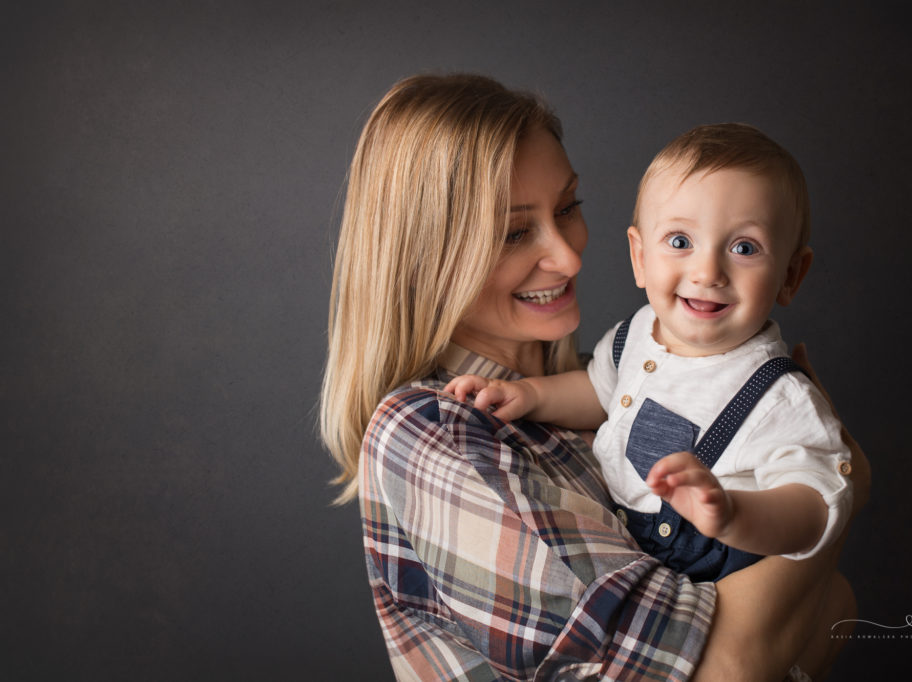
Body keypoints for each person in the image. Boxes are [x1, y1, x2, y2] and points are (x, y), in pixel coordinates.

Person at [320, 73, 869, 681]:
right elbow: (722, 672)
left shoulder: (609, 391)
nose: (571, 255)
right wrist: (847, 494)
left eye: (568, 208)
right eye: (515, 231)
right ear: (430, 258)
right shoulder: (431, 431)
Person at [445, 123, 853, 585]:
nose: (706, 271)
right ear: (640, 257)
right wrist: (530, 395)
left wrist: (734, 513)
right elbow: (599, 390)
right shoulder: (637, 334)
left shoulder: (778, 396)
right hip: (635, 547)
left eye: (744, 248)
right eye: (680, 242)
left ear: (790, 276)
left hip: (716, 568)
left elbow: (816, 504)